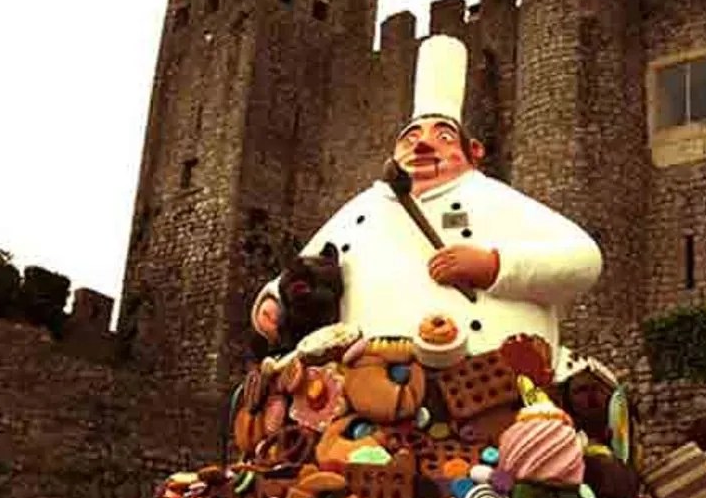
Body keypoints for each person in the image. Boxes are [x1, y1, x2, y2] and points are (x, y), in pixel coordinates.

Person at [251, 35, 602, 359]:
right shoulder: (366, 206)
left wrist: (493, 267)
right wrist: (274, 301)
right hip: (362, 381)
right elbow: (305, 269)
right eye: (410, 138)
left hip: (485, 376)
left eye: (443, 137)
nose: (422, 145)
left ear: (474, 151)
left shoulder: (493, 198)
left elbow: (583, 259)